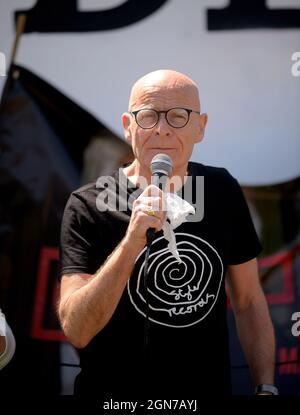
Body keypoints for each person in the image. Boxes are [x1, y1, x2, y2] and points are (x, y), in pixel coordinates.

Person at [58, 69, 276, 398]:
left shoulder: (221, 191)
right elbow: (77, 330)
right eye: (147, 116)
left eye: (177, 116)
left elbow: (248, 301)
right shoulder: (88, 205)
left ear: (200, 127)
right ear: (127, 127)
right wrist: (131, 242)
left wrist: (265, 385)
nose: (161, 129)